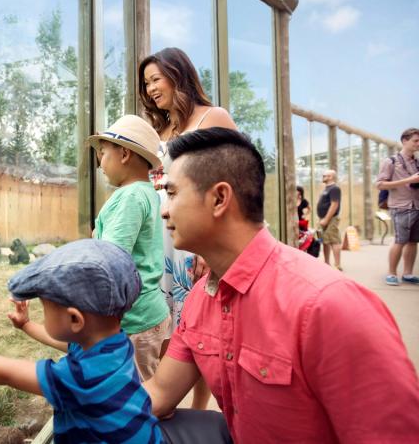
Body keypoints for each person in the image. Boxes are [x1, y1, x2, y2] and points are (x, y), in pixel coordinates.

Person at [142, 127, 419, 443]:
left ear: (219, 198)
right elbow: (161, 393)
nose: (164, 210)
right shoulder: (201, 298)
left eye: (173, 193)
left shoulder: (330, 306)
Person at [0, 239, 165, 443]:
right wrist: (26, 325)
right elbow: (67, 345)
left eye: (45, 306)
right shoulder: (116, 345)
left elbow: (6, 373)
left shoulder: (80, 377)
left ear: (75, 319)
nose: (43, 311)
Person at [139, 47, 237, 409]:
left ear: (177, 74)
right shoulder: (160, 129)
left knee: (200, 324)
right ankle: (171, 403)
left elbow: (233, 177)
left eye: (155, 79)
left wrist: (208, 249)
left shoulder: (213, 117)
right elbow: (156, 185)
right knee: (169, 321)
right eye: (145, 84)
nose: (149, 89)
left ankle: (199, 409)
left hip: (198, 237)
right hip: (161, 236)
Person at [86, 114, 171, 381]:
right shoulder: (147, 192)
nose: (100, 163)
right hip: (149, 310)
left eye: (103, 153)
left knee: (138, 397)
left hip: (134, 320)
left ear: (124, 154)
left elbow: (112, 258)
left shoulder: (129, 197)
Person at [375, 127, 419, 286]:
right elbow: (379, 184)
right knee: (400, 241)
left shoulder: (417, 162)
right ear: (404, 141)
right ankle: (392, 273)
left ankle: (407, 273)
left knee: (413, 242)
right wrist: (408, 181)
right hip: (400, 207)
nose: (418, 144)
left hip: (417, 206)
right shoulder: (391, 161)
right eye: (415, 140)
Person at [316, 169, 342, 270]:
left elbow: (334, 204)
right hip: (323, 218)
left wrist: (326, 219)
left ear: (331, 177)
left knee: (333, 240)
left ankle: (337, 265)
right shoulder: (326, 188)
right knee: (325, 240)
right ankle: (326, 263)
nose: (323, 177)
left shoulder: (334, 189)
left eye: (325, 176)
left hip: (331, 219)